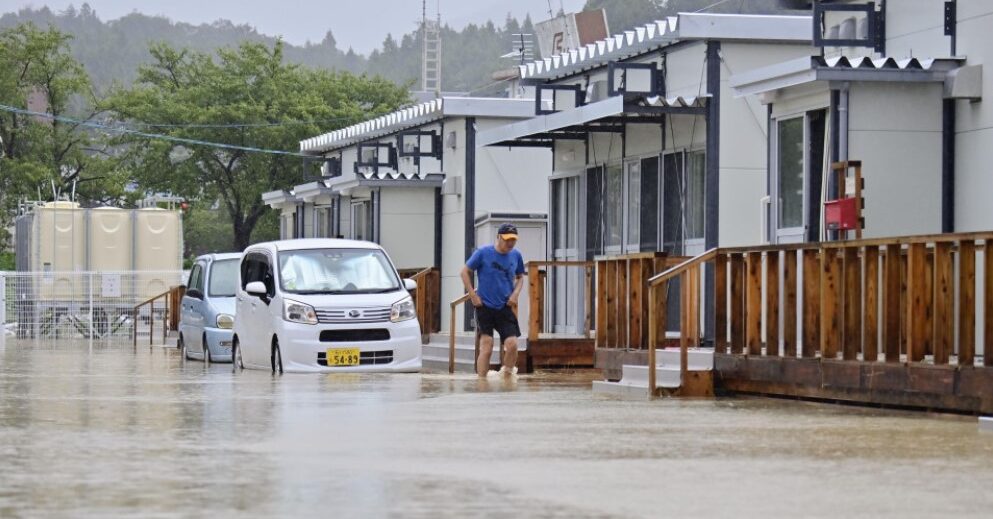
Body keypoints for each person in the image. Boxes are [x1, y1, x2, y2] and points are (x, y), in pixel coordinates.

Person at [461, 223, 525, 377]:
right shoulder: (483, 253)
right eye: (507, 239)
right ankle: (481, 382)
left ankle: (507, 376)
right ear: (498, 237)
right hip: (484, 306)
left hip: (504, 306)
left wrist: (515, 293)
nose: (510, 243)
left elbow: (520, 277)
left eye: (513, 240)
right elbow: (464, 271)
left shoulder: (516, 255)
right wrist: (473, 296)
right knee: (487, 346)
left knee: (512, 345)